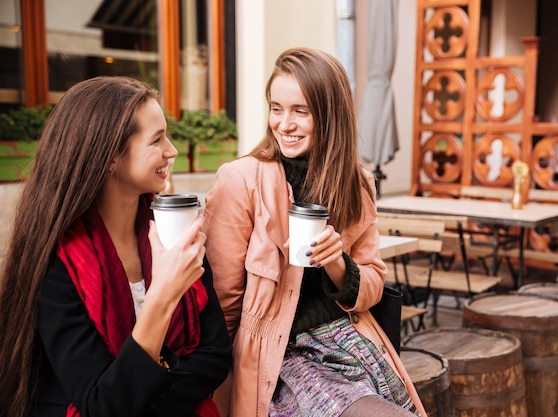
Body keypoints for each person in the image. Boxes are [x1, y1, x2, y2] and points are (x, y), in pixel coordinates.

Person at [203, 47, 428, 417]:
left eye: (300, 111)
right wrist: (220, 390)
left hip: (351, 341)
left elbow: (373, 279)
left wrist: (337, 263)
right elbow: (223, 301)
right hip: (281, 357)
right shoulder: (241, 180)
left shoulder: (357, 184)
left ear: (329, 115)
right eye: (276, 108)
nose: (284, 124)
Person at [0, 76, 232, 417]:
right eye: (157, 140)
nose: (173, 150)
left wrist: (147, 405)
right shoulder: (57, 262)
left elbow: (214, 354)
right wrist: (163, 297)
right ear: (110, 157)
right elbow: (101, 406)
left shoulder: (171, 231)